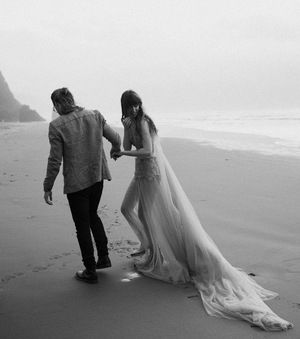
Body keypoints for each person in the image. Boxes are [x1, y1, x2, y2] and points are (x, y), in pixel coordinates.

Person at [113, 90, 293, 331]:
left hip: (152, 174)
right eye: (130, 107)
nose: (134, 109)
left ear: (139, 106)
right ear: (125, 108)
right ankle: (148, 246)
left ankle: (153, 250)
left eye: (136, 105)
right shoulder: (132, 123)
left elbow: (148, 151)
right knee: (128, 209)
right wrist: (125, 129)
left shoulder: (144, 122)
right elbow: (127, 144)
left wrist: (124, 151)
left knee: (149, 216)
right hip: (140, 174)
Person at [43, 87, 121, 284]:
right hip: (97, 177)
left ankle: (90, 270)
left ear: (59, 104)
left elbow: (55, 160)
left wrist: (47, 185)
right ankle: (103, 257)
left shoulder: (57, 126)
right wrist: (115, 149)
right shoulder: (94, 115)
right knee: (93, 214)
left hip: (77, 183)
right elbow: (116, 138)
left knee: (82, 225)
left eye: (55, 105)